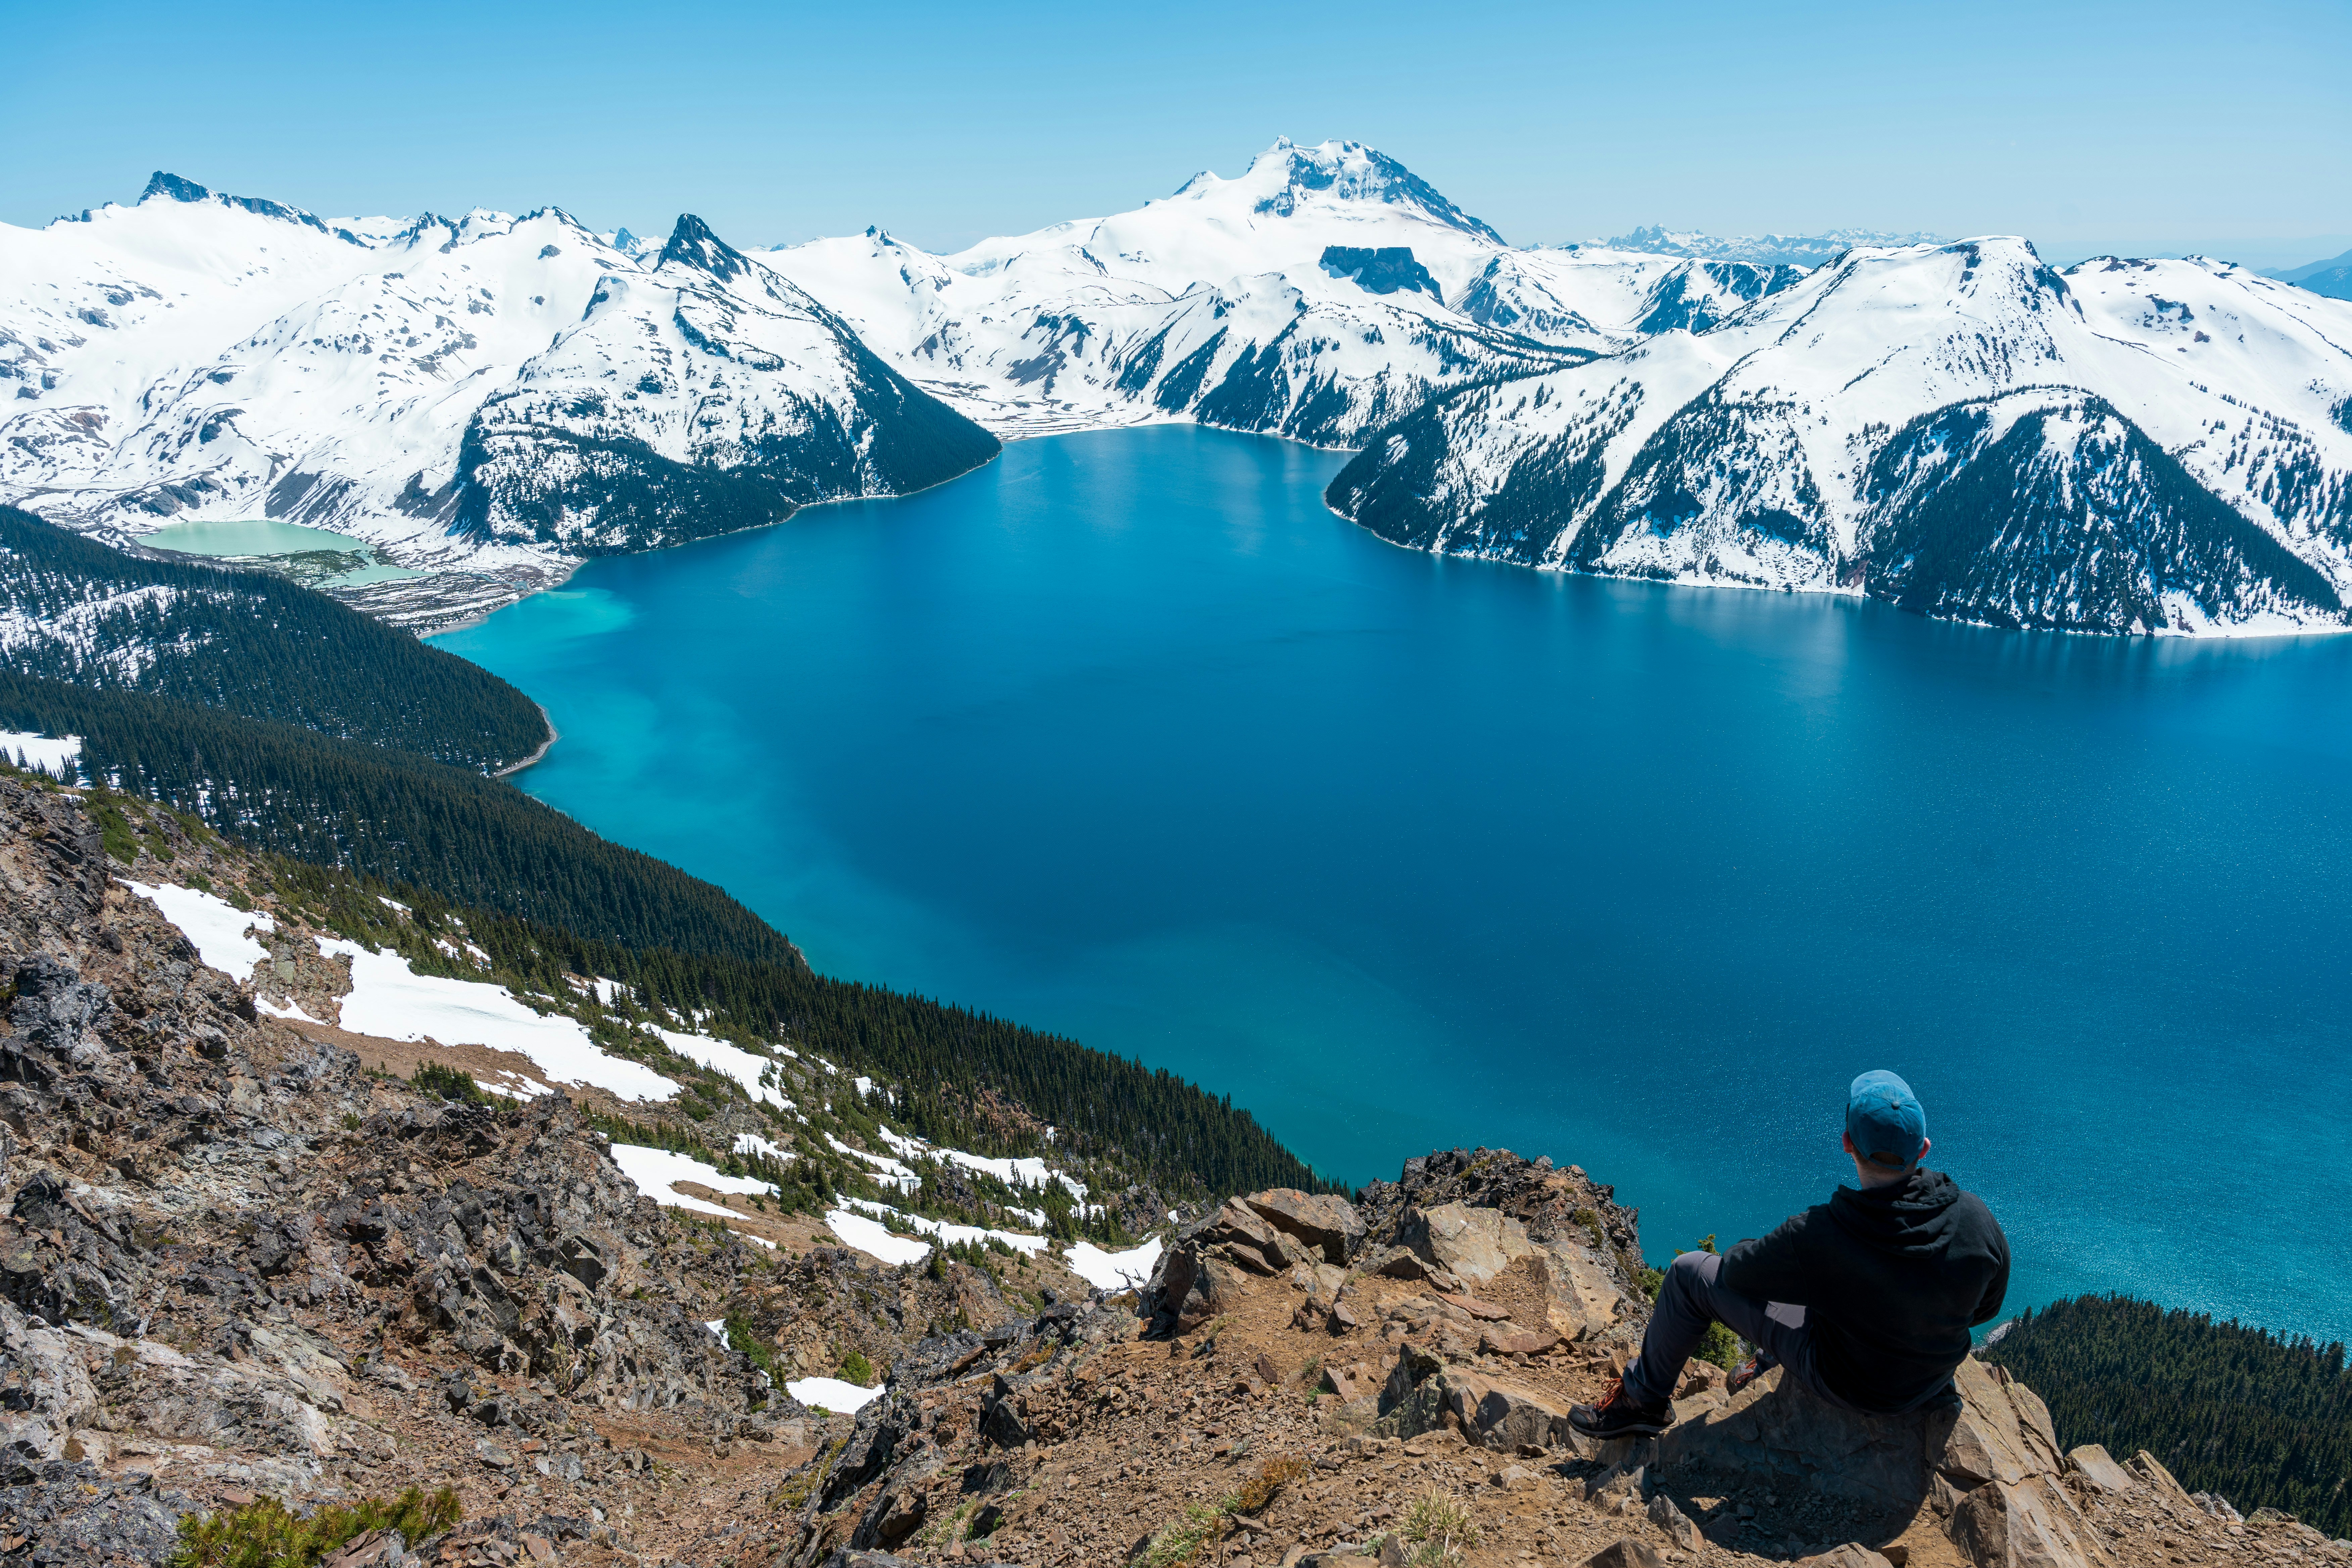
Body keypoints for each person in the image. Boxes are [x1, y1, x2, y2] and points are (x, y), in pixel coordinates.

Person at [1570, 1070, 2009, 1439]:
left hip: (1846, 1383)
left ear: (1847, 1144)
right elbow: (1985, 1308)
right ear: (1924, 1148)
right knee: (1821, 1291)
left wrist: (1777, 1255)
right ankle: (1763, 1364)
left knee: (1689, 1274)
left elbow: (1740, 1274)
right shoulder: (1976, 1218)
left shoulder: (1822, 1234)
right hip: (1930, 1381)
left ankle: (1642, 1402)